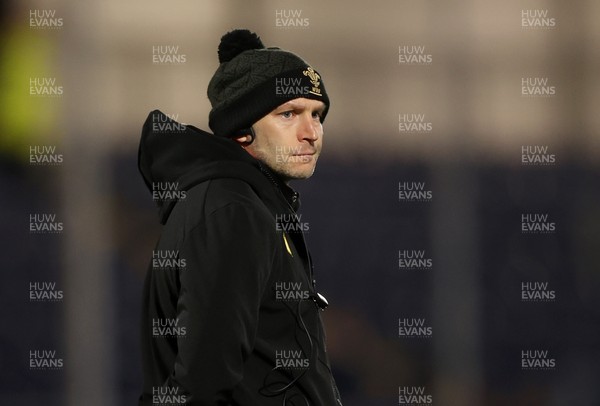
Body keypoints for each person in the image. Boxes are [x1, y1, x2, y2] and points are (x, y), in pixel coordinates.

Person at [137, 29, 343, 406]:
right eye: (289, 114)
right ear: (241, 128)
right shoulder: (232, 211)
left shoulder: (243, 202)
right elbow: (203, 384)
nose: (311, 132)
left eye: (317, 115)